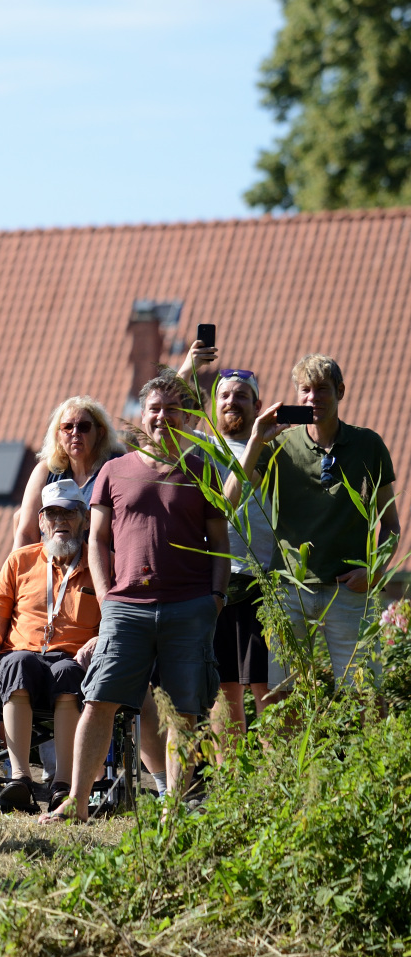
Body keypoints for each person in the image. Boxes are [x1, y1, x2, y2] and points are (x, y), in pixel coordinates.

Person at [48, 375, 228, 823]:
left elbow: (221, 542)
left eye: (172, 408)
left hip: (189, 606)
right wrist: (108, 597)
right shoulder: (115, 469)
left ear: (186, 416)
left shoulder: (202, 467)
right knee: (99, 701)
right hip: (127, 607)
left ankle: (174, 809)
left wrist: (216, 599)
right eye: (155, 408)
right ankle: (77, 801)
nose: (163, 416)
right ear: (143, 415)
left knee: (183, 712)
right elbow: (97, 540)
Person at [230, 354, 398, 694]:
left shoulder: (368, 444)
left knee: (364, 692)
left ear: (341, 391)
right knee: (284, 695)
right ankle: (291, 752)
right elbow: (228, 498)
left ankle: (363, 751)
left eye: (322, 389)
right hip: (290, 588)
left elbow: (391, 523)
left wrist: (375, 570)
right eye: (305, 390)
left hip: (349, 589)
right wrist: (256, 440)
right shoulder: (278, 446)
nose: (313, 397)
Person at [0, 482, 101, 811]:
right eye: (52, 513)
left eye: (69, 512)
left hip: (72, 659)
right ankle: (21, 779)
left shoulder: (101, 565)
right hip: (23, 655)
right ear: (41, 521)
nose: (61, 520)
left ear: (84, 519)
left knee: (68, 673)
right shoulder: (20, 561)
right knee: (16, 664)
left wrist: (102, 638)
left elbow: (116, 617)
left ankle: (63, 785)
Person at [178, 340, 276, 733]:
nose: (232, 401)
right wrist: (188, 365)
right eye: (224, 395)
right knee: (225, 688)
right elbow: (174, 412)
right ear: (213, 405)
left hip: (266, 580)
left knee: (268, 687)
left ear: (258, 404)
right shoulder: (202, 447)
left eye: (242, 395)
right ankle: (231, 783)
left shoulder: (274, 451)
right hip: (217, 579)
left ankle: (276, 780)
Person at [9, 398, 122, 549]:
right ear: (58, 436)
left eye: (84, 427)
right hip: (52, 569)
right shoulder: (45, 472)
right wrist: (20, 571)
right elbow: (27, 534)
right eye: (67, 427)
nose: (75, 433)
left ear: (100, 433)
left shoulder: (114, 470)